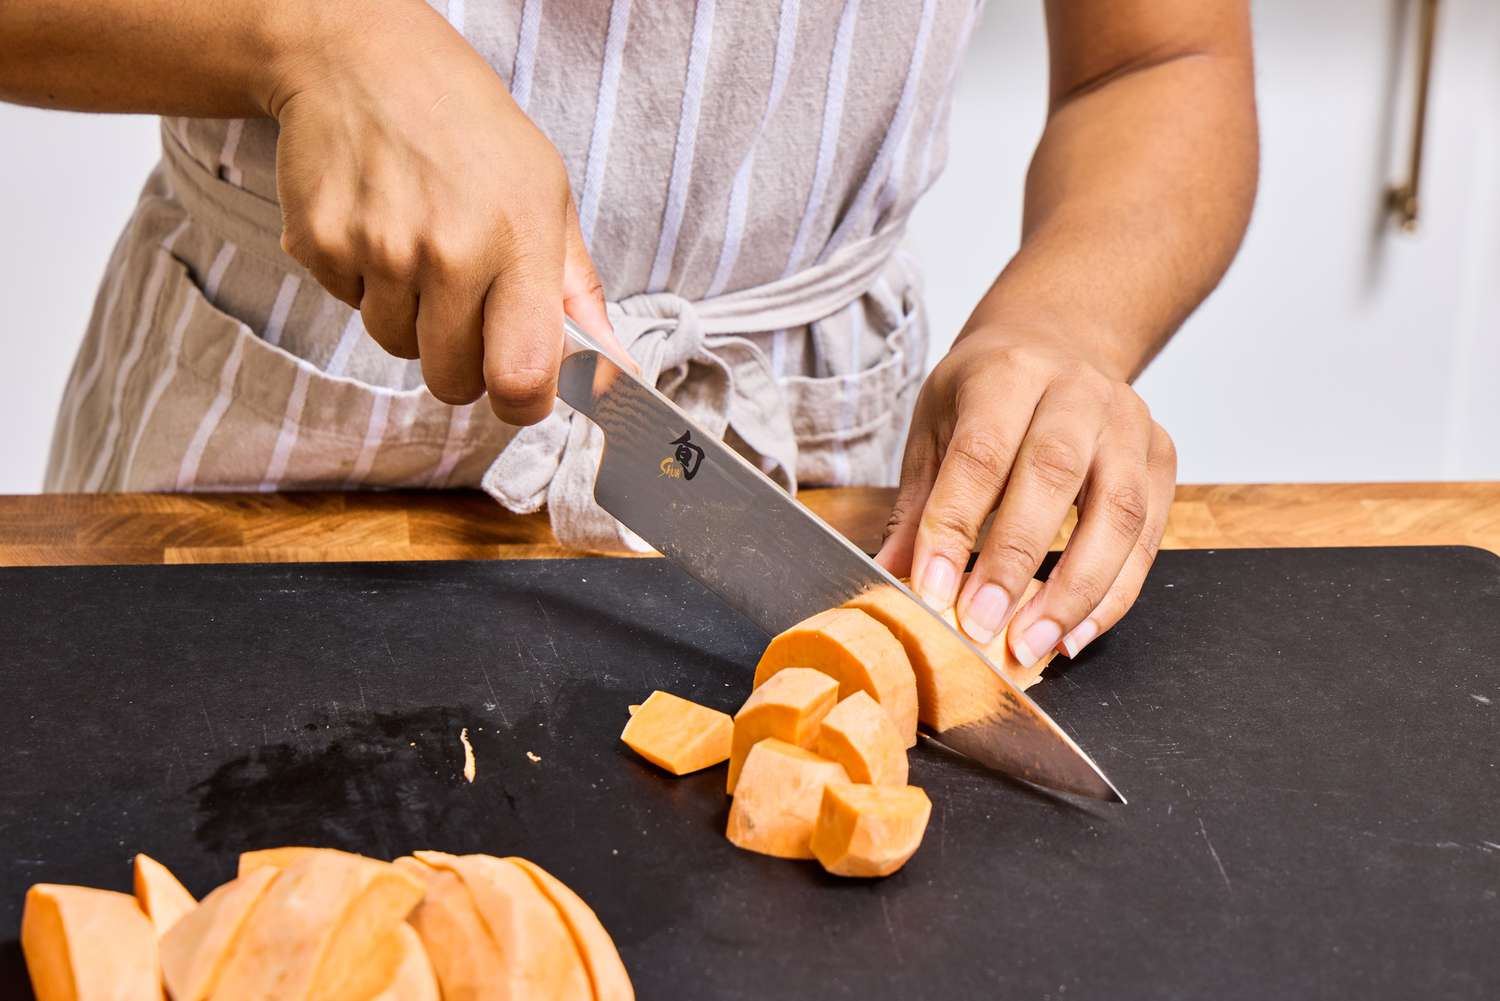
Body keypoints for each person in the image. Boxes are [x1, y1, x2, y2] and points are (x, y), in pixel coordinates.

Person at [0, 1, 1257, 669]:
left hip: (818, 477)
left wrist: (1065, 322)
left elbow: (1162, 57)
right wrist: (313, 32)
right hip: (246, 461)